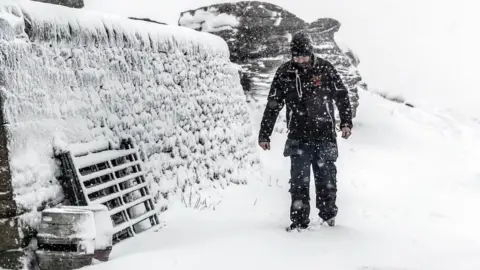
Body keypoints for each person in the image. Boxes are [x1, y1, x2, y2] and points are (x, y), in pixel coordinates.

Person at [258, 31, 353, 231]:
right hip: (298, 137)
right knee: (299, 183)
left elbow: (342, 96)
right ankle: (299, 223)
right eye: (296, 56)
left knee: (327, 181)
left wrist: (345, 122)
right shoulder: (285, 73)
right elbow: (273, 105)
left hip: (325, 135)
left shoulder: (325, 69)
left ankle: (328, 218)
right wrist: (265, 134)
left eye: (304, 55)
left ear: (311, 53)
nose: (300, 60)